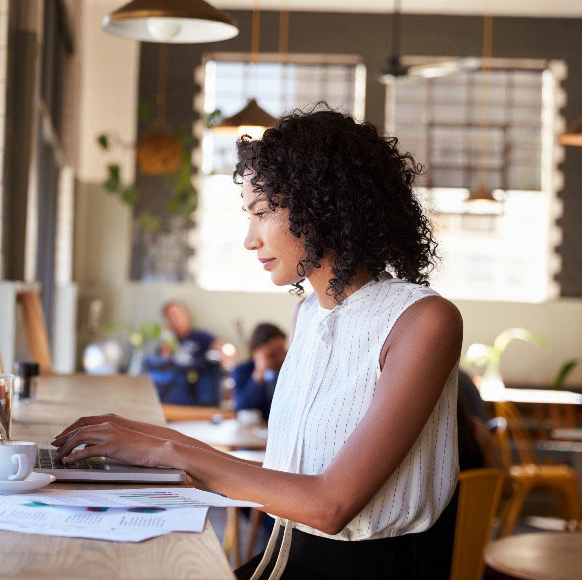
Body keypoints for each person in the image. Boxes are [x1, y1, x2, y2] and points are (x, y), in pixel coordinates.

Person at [52, 104, 462, 579]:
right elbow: (285, 477)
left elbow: (330, 504)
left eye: (262, 212)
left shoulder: (423, 320)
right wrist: (139, 433)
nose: (250, 239)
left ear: (324, 206)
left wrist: (168, 451)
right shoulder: (308, 314)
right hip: (282, 562)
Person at [144, 301, 225, 406]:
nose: (175, 319)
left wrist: (221, 350)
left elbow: (221, 351)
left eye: (177, 314)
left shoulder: (202, 337)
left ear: (186, 315)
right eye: (170, 316)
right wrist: (166, 342)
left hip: (202, 391)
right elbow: (162, 365)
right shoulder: (167, 341)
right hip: (177, 393)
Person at [232, 323, 287, 421]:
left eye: (284, 351)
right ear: (258, 352)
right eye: (275, 353)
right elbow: (242, 406)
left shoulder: (287, 371)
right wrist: (260, 373)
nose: (282, 357)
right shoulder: (242, 370)